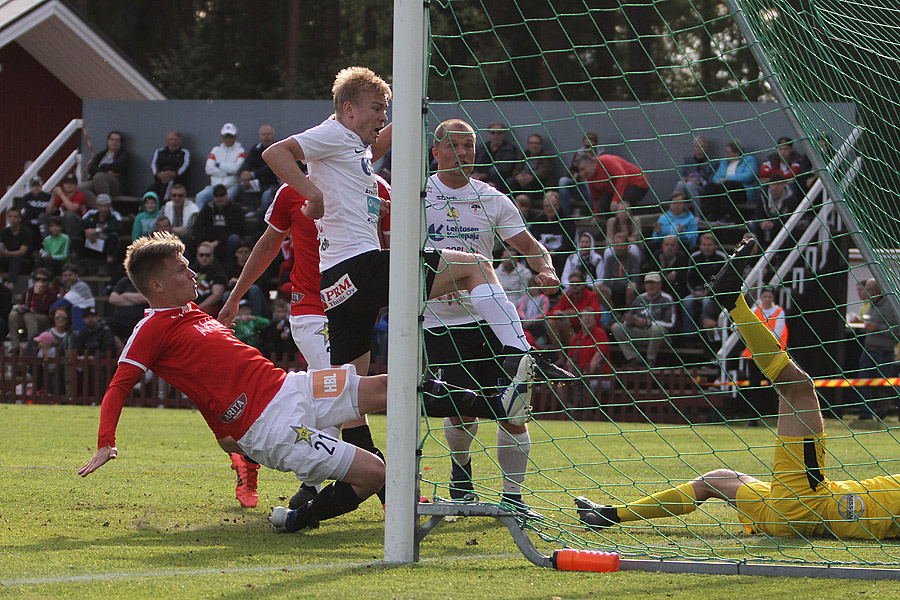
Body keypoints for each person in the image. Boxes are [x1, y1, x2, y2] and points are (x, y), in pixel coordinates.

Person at [78, 232, 518, 534]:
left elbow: (212, 380)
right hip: (271, 425)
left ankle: (498, 401)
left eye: (189, 266)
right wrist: (106, 440)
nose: (192, 274)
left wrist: (224, 434)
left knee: (388, 385)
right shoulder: (150, 328)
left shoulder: (194, 314)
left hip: (291, 387)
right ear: (155, 285)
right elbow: (118, 386)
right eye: (181, 270)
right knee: (376, 472)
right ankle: (298, 519)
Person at [260, 68, 570, 487]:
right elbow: (275, 152)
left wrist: (408, 103)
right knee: (476, 266)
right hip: (361, 266)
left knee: (350, 394)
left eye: (385, 110)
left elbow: (383, 140)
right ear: (348, 109)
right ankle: (519, 353)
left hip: (338, 283)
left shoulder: (353, 145)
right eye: (376, 109)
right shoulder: (333, 135)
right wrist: (312, 194)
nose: (380, 118)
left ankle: (313, 477)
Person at [577, 237, 900, 540]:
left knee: (798, 387)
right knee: (714, 479)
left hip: (807, 503)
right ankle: (609, 514)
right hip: (783, 507)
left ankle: (734, 302)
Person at [422, 118, 566, 516]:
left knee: (513, 411)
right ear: (436, 153)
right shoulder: (418, 196)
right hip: (440, 321)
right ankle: (461, 471)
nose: (464, 153)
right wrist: (436, 281)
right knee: (463, 410)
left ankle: (513, 499)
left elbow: (531, 247)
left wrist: (547, 270)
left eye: (470, 146)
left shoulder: (492, 199)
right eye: (455, 146)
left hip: (490, 321)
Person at [218, 177, 389, 510]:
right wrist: (237, 295)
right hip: (311, 311)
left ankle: (264, 464)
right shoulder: (292, 191)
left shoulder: (377, 187)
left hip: (354, 311)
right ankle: (392, 496)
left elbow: (388, 251)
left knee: (329, 405)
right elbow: (268, 245)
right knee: (348, 396)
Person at [610, 272, 676, 369]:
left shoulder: (666, 299)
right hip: (640, 333)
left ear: (660, 284)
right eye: (648, 283)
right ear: (645, 285)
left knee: (657, 328)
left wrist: (647, 322)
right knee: (616, 327)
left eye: (654, 283)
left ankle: (651, 360)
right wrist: (630, 321)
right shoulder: (639, 298)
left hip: (660, 336)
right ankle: (634, 358)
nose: (651, 286)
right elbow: (628, 316)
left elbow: (671, 323)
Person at [856, 278, 900, 420]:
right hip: (868, 349)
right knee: (862, 382)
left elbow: (897, 330)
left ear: (878, 290)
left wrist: (878, 328)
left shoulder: (890, 306)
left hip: (883, 351)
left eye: (869, 290)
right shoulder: (871, 305)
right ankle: (865, 415)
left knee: (886, 385)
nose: (867, 293)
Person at [741, 286, 787, 422]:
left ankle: (777, 415)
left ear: (774, 298)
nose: (767, 299)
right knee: (753, 385)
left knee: (774, 385)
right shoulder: (755, 310)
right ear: (760, 298)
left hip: (772, 354)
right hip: (754, 353)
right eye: (764, 296)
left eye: (770, 297)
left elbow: (777, 334)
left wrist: (757, 334)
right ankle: (753, 418)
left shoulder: (779, 312)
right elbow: (743, 323)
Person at [572, 150, 650, 220]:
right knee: (601, 205)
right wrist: (596, 216)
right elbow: (596, 198)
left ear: (591, 163)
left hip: (637, 182)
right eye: (580, 171)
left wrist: (615, 200)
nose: (582, 173)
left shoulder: (606, 161)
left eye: (583, 169)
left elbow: (622, 177)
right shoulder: (590, 177)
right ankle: (612, 226)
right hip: (617, 189)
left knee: (623, 206)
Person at [704, 140, 759, 225]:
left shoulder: (749, 160)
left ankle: (728, 215)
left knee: (729, 185)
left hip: (742, 191)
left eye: (729, 152)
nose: (727, 154)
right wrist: (720, 181)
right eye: (726, 152)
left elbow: (749, 175)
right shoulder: (725, 162)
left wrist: (728, 178)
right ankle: (712, 214)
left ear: (737, 152)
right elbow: (716, 177)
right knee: (710, 186)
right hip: (723, 188)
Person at [195, 123, 246, 209]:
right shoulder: (215, 150)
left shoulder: (240, 151)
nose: (228, 139)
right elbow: (208, 169)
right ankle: (202, 220)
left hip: (232, 187)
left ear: (235, 136)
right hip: (214, 186)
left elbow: (235, 169)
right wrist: (228, 173)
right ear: (221, 136)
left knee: (227, 198)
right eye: (226, 136)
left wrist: (219, 165)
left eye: (231, 136)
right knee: (200, 197)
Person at [192, 184, 246, 263]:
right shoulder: (207, 209)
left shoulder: (236, 209)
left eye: (222, 195)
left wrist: (217, 242)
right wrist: (203, 243)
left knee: (234, 239)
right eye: (216, 195)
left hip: (227, 242)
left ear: (227, 195)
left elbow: (238, 229)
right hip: (208, 241)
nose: (219, 198)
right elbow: (198, 226)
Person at [8, 267, 57, 350]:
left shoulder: (51, 294)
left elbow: (42, 309)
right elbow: (22, 304)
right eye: (37, 279)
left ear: (47, 282)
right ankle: (14, 347)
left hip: (43, 319)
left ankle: (31, 347)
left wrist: (37, 294)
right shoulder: (28, 292)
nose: (40, 282)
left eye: (43, 280)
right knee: (13, 315)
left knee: (29, 316)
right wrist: (20, 308)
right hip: (27, 318)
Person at [528, 191, 575, 277]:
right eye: (547, 206)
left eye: (553, 205)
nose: (549, 209)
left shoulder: (567, 221)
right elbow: (534, 240)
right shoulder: (538, 220)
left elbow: (568, 243)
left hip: (560, 254)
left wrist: (555, 252)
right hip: (543, 253)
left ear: (558, 205)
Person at [80, 130, 130, 206]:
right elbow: (91, 168)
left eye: (117, 140)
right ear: (108, 141)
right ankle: (98, 209)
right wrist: (106, 171)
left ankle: (106, 207)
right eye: (112, 140)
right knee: (82, 187)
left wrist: (102, 168)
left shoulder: (124, 155)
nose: (114, 142)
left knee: (99, 176)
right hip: (97, 180)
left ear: (120, 143)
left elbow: (118, 166)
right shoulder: (101, 155)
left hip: (115, 184)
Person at [239, 124, 280, 214]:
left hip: (274, 184)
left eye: (268, 134)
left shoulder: (278, 148)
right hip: (260, 182)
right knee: (244, 184)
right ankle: (252, 210)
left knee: (266, 196)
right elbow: (248, 163)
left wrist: (253, 174)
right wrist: (245, 174)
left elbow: (271, 168)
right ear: (260, 137)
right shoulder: (255, 149)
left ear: (274, 136)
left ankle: (263, 216)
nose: (266, 137)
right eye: (264, 134)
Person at [471, 122, 521, 193]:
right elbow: (474, 162)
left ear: (503, 135)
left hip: (497, 180)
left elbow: (505, 169)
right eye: (493, 133)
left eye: (499, 133)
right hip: (478, 176)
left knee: (493, 171)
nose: (496, 135)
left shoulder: (509, 150)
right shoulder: (482, 148)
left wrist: (484, 175)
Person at [506, 133, 556, 201]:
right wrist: (517, 176)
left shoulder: (546, 156)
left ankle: (525, 204)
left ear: (541, 145)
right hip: (522, 179)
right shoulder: (523, 155)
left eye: (536, 143)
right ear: (528, 144)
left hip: (538, 181)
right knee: (510, 182)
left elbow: (543, 172)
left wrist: (531, 177)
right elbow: (516, 169)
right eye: (532, 143)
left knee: (529, 185)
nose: (534, 146)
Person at [80, 194, 122, 274]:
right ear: (97, 206)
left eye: (105, 206)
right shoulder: (91, 214)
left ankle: (108, 264)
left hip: (106, 244)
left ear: (109, 206)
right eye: (101, 206)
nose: (103, 209)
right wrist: (87, 232)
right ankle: (81, 265)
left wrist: (98, 230)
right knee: (78, 238)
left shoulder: (115, 215)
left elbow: (118, 229)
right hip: (92, 242)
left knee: (114, 237)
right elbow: (81, 225)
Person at [51, 263, 96, 333]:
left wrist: (50, 308)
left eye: (70, 275)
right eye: (65, 276)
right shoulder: (70, 286)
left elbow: (63, 303)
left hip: (84, 321)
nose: (67, 278)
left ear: (76, 275)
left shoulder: (80, 286)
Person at [45, 173, 87, 244]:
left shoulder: (79, 195)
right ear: (63, 185)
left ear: (76, 185)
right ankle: (48, 243)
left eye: (72, 183)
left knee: (69, 215)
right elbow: (49, 211)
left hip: (81, 222)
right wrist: (53, 197)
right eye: (67, 183)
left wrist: (61, 195)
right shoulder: (63, 195)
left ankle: (72, 244)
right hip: (66, 222)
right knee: (45, 217)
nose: (69, 185)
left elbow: (72, 209)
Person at [150, 130, 191, 202]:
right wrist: (159, 175)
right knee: (149, 193)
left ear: (180, 141)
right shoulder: (159, 152)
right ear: (167, 141)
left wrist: (174, 174)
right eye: (171, 139)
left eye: (176, 140)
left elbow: (185, 166)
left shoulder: (184, 153)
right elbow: (154, 164)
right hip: (160, 181)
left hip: (177, 182)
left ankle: (164, 202)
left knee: (169, 180)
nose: (173, 142)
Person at [674, 136, 714, 201]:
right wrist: (683, 178)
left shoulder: (711, 163)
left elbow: (711, 181)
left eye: (702, 146)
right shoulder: (688, 161)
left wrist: (698, 182)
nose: (699, 149)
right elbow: (680, 175)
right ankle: (675, 207)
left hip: (701, 188)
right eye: (697, 146)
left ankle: (697, 211)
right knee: (680, 184)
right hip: (687, 184)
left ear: (706, 148)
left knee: (690, 185)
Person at [0, 206, 33, 287]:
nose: (13, 219)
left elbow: (22, 252)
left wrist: (6, 254)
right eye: (10, 217)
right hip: (9, 261)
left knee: (15, 259)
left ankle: (10, 284)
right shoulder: (4, 232)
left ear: (20, 219)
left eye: (15, 217)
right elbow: (2, 248)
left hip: (25, 262)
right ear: (7, 218)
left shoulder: (26, 232)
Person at [192, 242, 226, 316]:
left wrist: (197, 308)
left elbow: (217, 296)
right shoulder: (191, 270)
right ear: (197, 256)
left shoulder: (218, 272)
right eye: (201, 255)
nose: (204, 257)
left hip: (208, 307)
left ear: (212, 256)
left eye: (207, 255)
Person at [22, 176, 51, 244]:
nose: (36, 188)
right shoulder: (26, 197)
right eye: (34, 186)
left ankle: (46, 243)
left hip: (44, 220)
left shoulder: (47, 196)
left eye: (38, 185)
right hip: (31, 220)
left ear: (41, 186)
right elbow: (27, 210)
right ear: (30, 187)